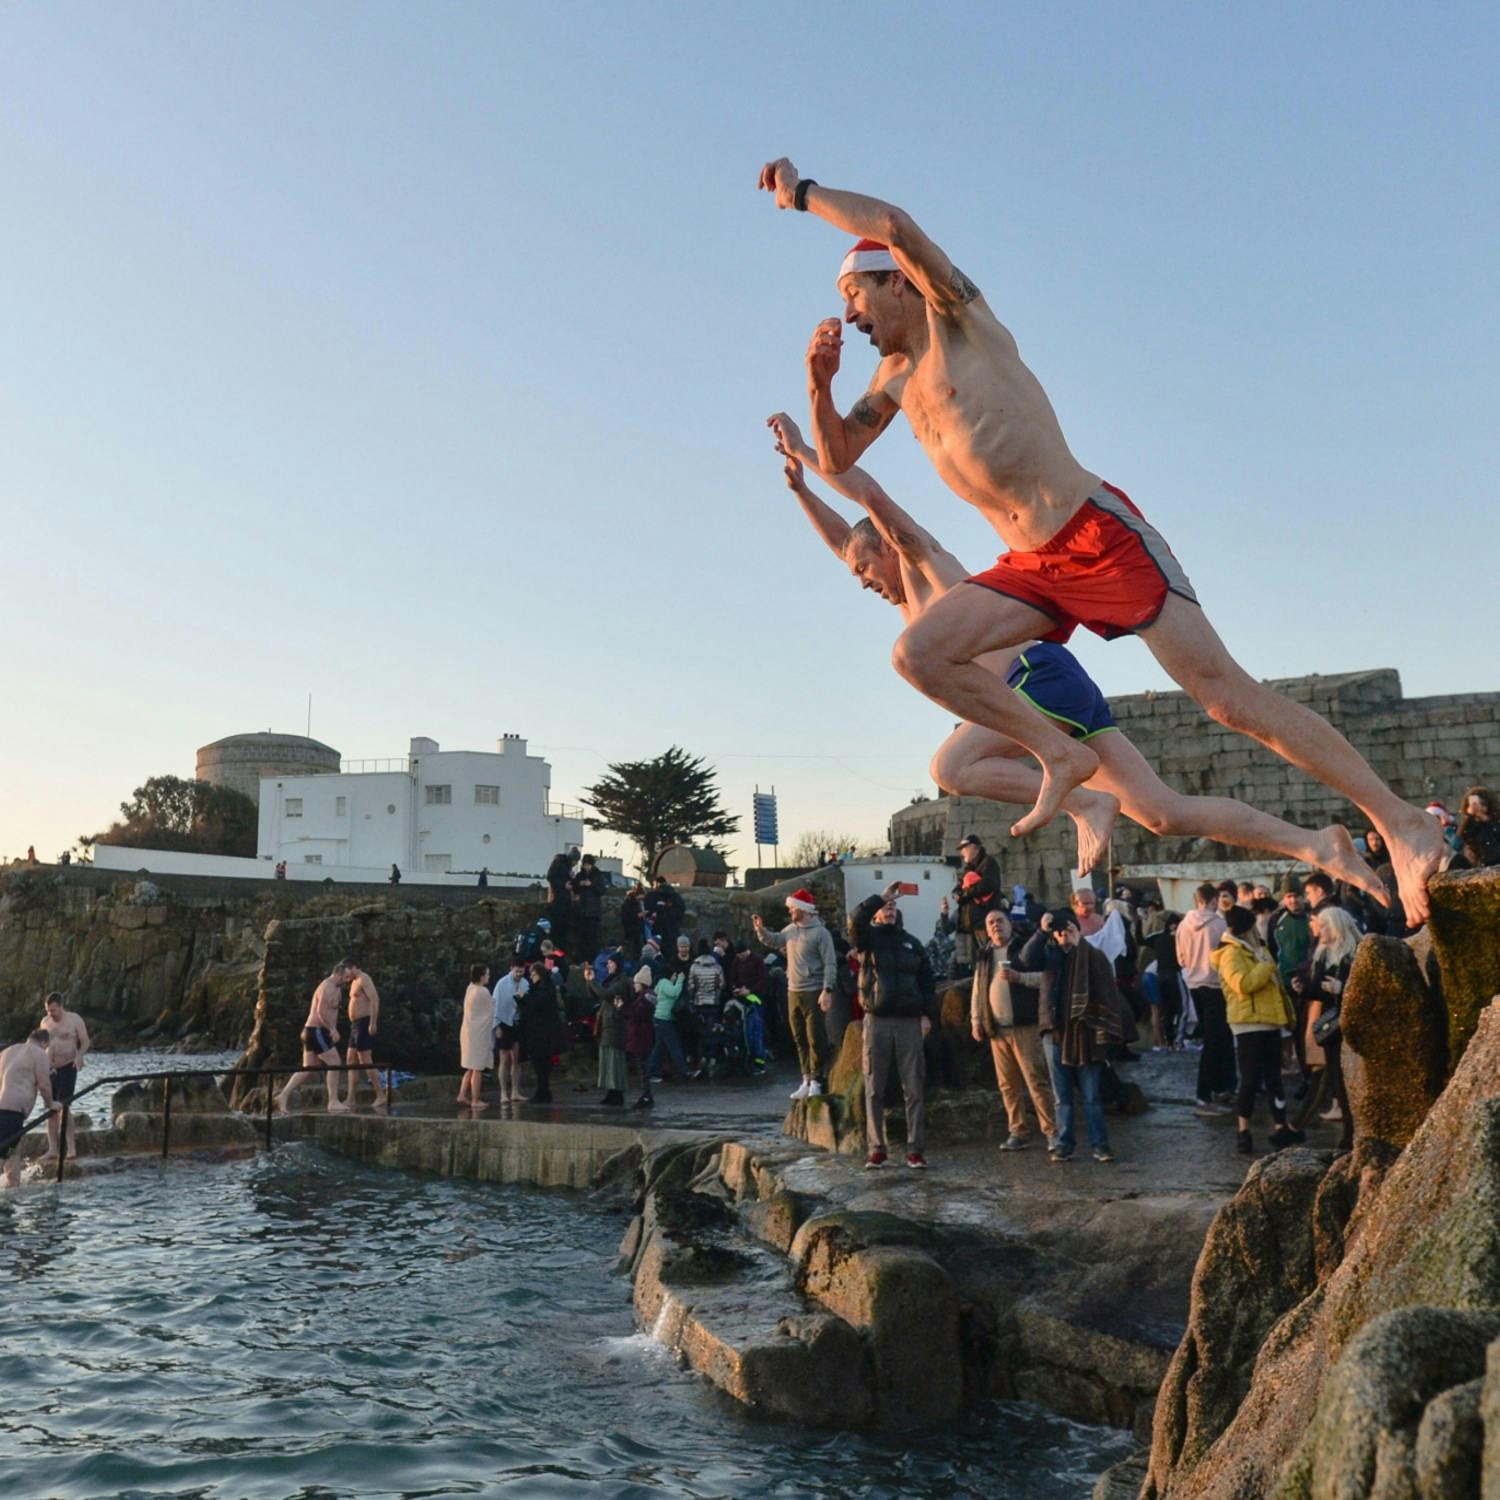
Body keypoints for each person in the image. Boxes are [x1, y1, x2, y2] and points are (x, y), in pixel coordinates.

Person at [757, 158, 1443, 927]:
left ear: (897, 282)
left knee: (1227, 699)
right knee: (917, 655)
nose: (849, 314)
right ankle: (1060, 755)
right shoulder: (890, 380)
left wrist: (803, 197)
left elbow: (892, 224)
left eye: (855, 294)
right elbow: (842, 456)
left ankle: (1398, 820)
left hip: (1095, 531)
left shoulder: (957, 316)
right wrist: (817, 386)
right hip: (1030, 566)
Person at [769, 414, 1383, 889]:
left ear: (887, 548)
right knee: (1163, 812)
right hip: (1060, 691)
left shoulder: (925, 565)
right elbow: (843, 541)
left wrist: (805, 449)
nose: (862, 580)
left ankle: (1083, 798)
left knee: (950, 770)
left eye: (863, 568)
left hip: (1032, 680)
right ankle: (1314, 845)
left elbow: (868, 497)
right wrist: (799, 491)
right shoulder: (909, 606)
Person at [1008, 910, 1122, 1163]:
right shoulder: (1049, 955)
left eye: (1068, 929)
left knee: (1091, 1095)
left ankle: (1100, 1145)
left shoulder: (1091, 954)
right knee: (1062, 1097)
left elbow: (1104, 979)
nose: (1063, 934)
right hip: (1055, 1031)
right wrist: (1042, 931)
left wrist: (1078, 943)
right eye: (1059, 930)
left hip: (1085, 1032)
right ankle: (1064, 1144)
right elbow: (1023, 961)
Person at [849, 882, 938, 1169]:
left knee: (914, 1086)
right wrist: (880, 897)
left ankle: (915, 1149)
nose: (889, 909)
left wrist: (927, 1014)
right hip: (877, 1020)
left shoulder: (912, 942)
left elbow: (927, 982)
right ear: (876, 913)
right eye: (884, 907)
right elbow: (855, 919)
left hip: (909, 1020)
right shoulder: (867, 940)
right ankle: (876, 1148)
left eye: (892, 906)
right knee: (874, 1086)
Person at [1212, 906, 1304, 1156]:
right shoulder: (1231, 954)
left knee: (1274, 1078)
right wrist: (1265, 966)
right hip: (1248, 1023)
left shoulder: (1259, 950)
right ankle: (1243, 1131)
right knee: (1250, 1079)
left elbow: (1275, 988)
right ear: (1247, 928)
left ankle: (1280, 1127)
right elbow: (1243, 984)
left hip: (1270, 1021)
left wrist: (1287, 1017)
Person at [971, 910, 1057, 1152]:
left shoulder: (1024, 948)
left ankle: (1051, 1132)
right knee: (1007, 1086)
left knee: (1036, 1081)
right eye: (991, 922)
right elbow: (978, 988)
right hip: (997, 1029)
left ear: (1010, 924)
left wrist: (1020, 978)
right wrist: (976, 1020)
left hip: (1024, 1026)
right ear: (987, 929)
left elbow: (1046, 979)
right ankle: (1018, 1131)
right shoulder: (984, 953)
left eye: (1000, 921)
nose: (996, 926)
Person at [752, 888, 839, 1100]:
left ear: (803, 909)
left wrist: (827, 989)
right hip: (793, 990)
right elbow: (774, 940)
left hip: (813, 990)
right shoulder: (790, 929)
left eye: (792, 907)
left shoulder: (821, 934)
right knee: (799, 1038)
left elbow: (830, 963)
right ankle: (806, 1079)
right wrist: (761, 931)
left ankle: (818, 1080)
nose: (790, 910)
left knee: (815, 1038)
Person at [1295, 905, 1359, 1147]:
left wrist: (1341, 989)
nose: (1318, 930)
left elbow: (1364, 988)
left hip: (1350, 1023)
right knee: (1337, 1079)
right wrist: (1303, 988)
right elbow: (1318, 990)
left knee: (1348, 1078)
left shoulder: (1354, 952)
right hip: (1332, 1026)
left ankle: (1352, 1133)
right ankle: (1348, 1134)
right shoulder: (1323, 953)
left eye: (1323, 925)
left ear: (1336, 927)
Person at [1177, 885, 1235, 1114]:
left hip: (1194, 984)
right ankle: (1204, 1095)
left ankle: (1223, 1086)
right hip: (1215, 985)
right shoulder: (1220, 924)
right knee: (1215, 1040)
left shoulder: (1183, 925)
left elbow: (1180, 958)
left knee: (1215, 1038)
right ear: (1212, 900)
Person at [276, 962, 353, 1116]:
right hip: (316, 1030)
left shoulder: (336, 988)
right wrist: (332, 1029)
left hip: (311, 1031)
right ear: (337, 973)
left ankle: (283, 1095)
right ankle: (333, 1102)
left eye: (349, 978)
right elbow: (320, 1011)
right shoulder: (327, 986)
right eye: (345, 977)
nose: (347, 981)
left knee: (309, 1068)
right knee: (334, 1062)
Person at [39, 992, 89, 1161]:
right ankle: (52, 1149)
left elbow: (85, 1041)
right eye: (48, 1010)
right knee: (51, 1108)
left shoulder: (74, 1019)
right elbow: (41, 1046)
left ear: (61, 1006)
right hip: (50, 1069)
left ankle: (71, 1148)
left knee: (64, 1106)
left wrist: (80, 1055)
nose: (50, 1014)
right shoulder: (45, 1022)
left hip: (69, 1066)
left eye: (53, 1010)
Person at [0, 1030, 54, 1188]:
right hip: (11, 1112)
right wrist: (50, 1103)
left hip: (3, 1107)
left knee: (14, 1151)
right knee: (2, 1153)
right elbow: (44, 1083)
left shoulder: (7, 1052)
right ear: (45, 1043)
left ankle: (13, 1187)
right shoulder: (39, 1053)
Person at [520, 962, 568, 1103]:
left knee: (542, 1063)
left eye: (533, 974)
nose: (531, 977)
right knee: (539, 1063)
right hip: (537, 1031)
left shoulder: (546, 988)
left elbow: (539, 1003)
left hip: (544, 1032)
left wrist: (524, 998)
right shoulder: (537, 988)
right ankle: (542, 1091)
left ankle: (543, 1092)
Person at [341, 965, 386, 1110]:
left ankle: (380, 1095)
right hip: (354, 1025)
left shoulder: (364, 979)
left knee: (365, 1059)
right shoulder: (353, 982)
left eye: (346, 971)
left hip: (364, 1022)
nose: (344, 975)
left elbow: (375, 999)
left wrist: (373, 1022)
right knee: (350, 1059)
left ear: (353, 967)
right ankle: (351, 1097)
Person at [589, 954, 632, 1107]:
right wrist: (590, 983)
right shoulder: (612, 980)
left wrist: (592, 981)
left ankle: (617, 1093)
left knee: (615, 1060)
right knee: (608, 1060)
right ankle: (611, 1092)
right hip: (608, 1024)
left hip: (616, 1026)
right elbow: (597, 995)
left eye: (611, 963)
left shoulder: (621, 982)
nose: (608, 966)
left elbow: (605, 994)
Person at [644, 965, 694, 1085]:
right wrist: (681, 979)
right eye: (674, 975)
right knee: (674, 1046)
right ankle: (685, 1071)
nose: (675, 977)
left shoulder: (661, 983)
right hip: (664, 1019)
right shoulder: (665, 982)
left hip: (660, 1019)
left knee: (659, 1048)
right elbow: (674, 993)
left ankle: (651, 1073)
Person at [458, 963, 493, 1110]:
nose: (489, 977)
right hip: (478, 1034)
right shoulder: (482, 992)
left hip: (467, 1032)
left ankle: (462, 1095)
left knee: (470, 1067)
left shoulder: (470, 988)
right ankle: (475, 1099)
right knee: (477, 1068)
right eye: (487, 974)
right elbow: (492, 1009)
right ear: (481, 976)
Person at [491, 958, 527, 1104]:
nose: (518, 974)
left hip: (517, 1022)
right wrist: (497, 1025)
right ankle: (503, 1093)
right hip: (504, 1021)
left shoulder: (525, 983)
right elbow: (495, 1004)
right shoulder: (502, 983)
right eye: (516, 971)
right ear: (511, 969)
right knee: (504, 1058)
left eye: (521, 971)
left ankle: (515, 1091)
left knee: (516, 1059)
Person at [627, 968, 658, 1107]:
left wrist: (622, 1008)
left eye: (636, 983)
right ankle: (646, 1095)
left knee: (643, 1067)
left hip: (642, 1037)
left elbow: (637, 1015)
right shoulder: (645, 998)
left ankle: (646, 1096)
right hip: (643, 1036)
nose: (634, 985)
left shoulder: (644, 999)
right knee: (643, 1067)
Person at [569, 855, 607, 961]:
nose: (586, 867)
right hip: (581, 912)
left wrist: (591, 885)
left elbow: (602, 890)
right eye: (584, 865)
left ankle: (592, 960)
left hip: (593, 913)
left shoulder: (598, 875)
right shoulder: (580, 875)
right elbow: (575, 887)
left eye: (588, 865)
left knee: (593, 939)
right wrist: (579, 884)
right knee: (581, 939)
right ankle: (583, 960)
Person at [1458, 787, 1500, 870]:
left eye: (1483, 804)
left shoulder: (1494, 820)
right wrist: (1470, 817)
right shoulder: (1469, 822)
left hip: (1496, 861)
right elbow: (1462, 836)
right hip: (1476, 863)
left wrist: (1488, 821)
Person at [646, 876, 685, 952]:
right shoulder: (675, 895)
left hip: (657, 929)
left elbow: (648, 910)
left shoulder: (653, 895)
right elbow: (681, 910)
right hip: (673, 928)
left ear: (657, 883)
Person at [620, 884, 646, 959]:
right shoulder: (627, 904)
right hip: (631, 932)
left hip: (638, 931)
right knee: (633, 953)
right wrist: (637, 916)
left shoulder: (636, 903)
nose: (641, 900)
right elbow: (625, 919)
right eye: (640, 898)